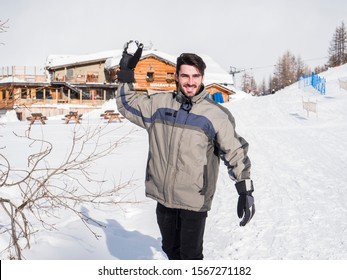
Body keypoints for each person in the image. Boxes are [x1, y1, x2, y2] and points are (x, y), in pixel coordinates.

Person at [115, 42, 255, 260]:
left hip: (194, 201)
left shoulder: (216, 115)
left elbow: (235, 151)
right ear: (176, 77)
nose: (190, 82)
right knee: (171, 252)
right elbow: (127, 103)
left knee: (190, 257)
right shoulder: (159, 105)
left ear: (202, 78)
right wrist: (126, 73)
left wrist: (245, 190)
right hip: (164, 198)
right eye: (185, 76)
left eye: (196, 76)